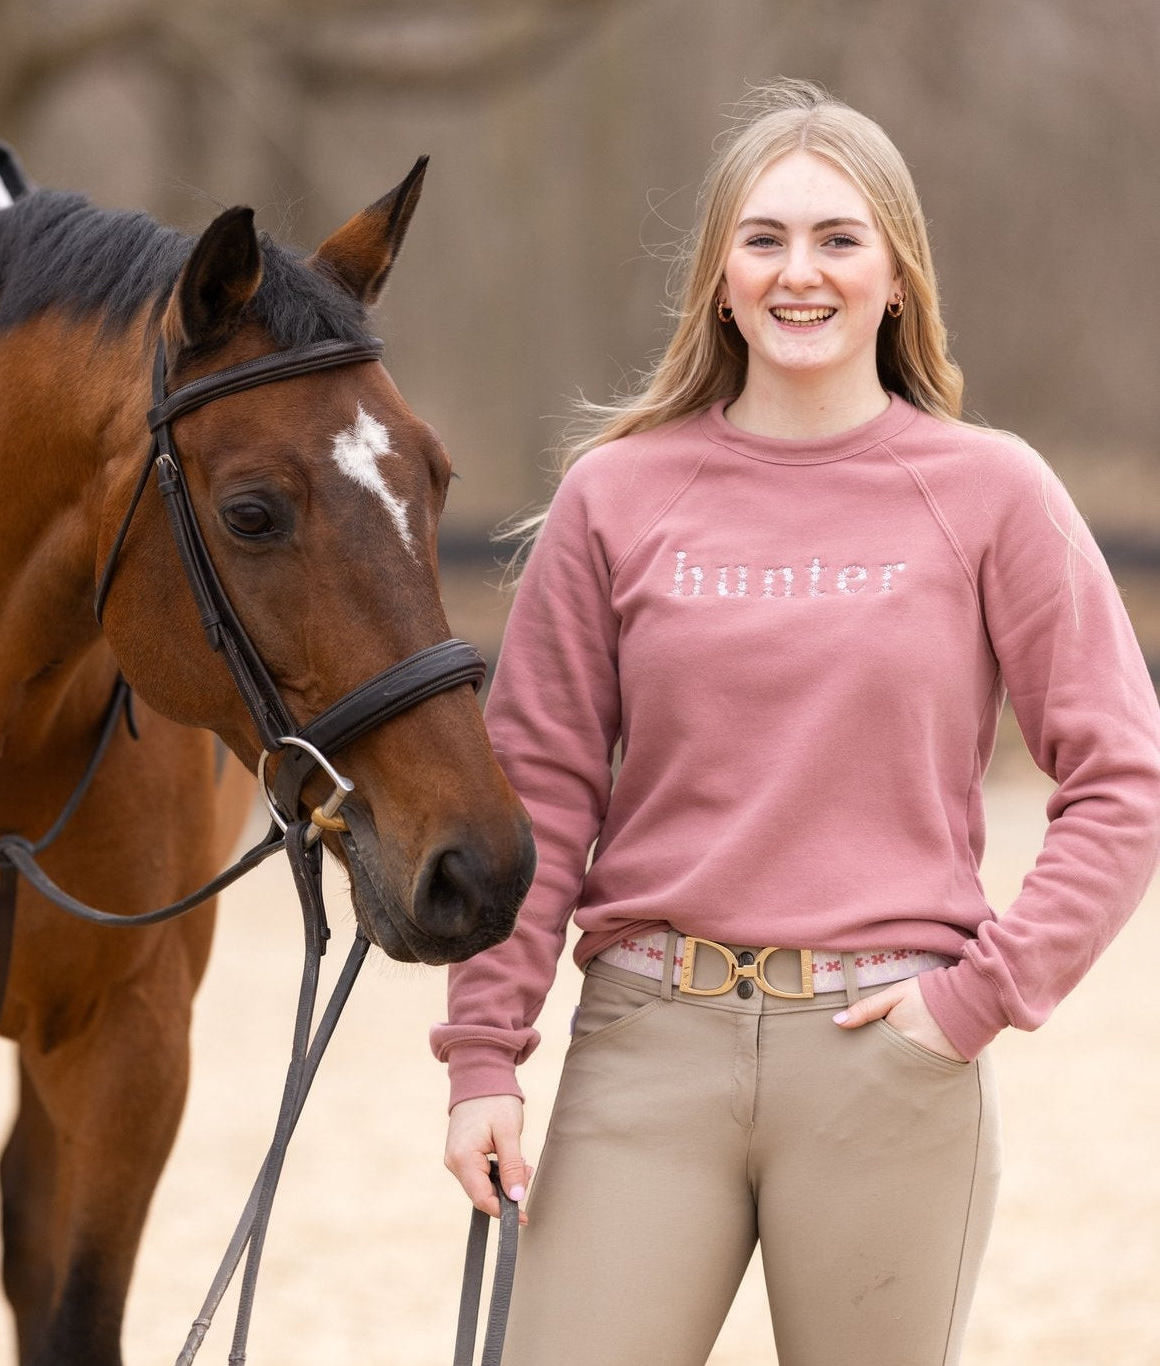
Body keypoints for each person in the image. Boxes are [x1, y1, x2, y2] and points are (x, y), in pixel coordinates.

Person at [430, 78, 1160, 1365]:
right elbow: (536, 789)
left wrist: (983, 997)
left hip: (887, 1052)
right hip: (647, 1043)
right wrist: (484, 1055)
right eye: (763, 239)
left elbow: (1123, 775)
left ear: (896, 275)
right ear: (718, 278)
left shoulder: (990, 492)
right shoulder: (616, 496)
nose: (797, 272)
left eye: (837, 239)